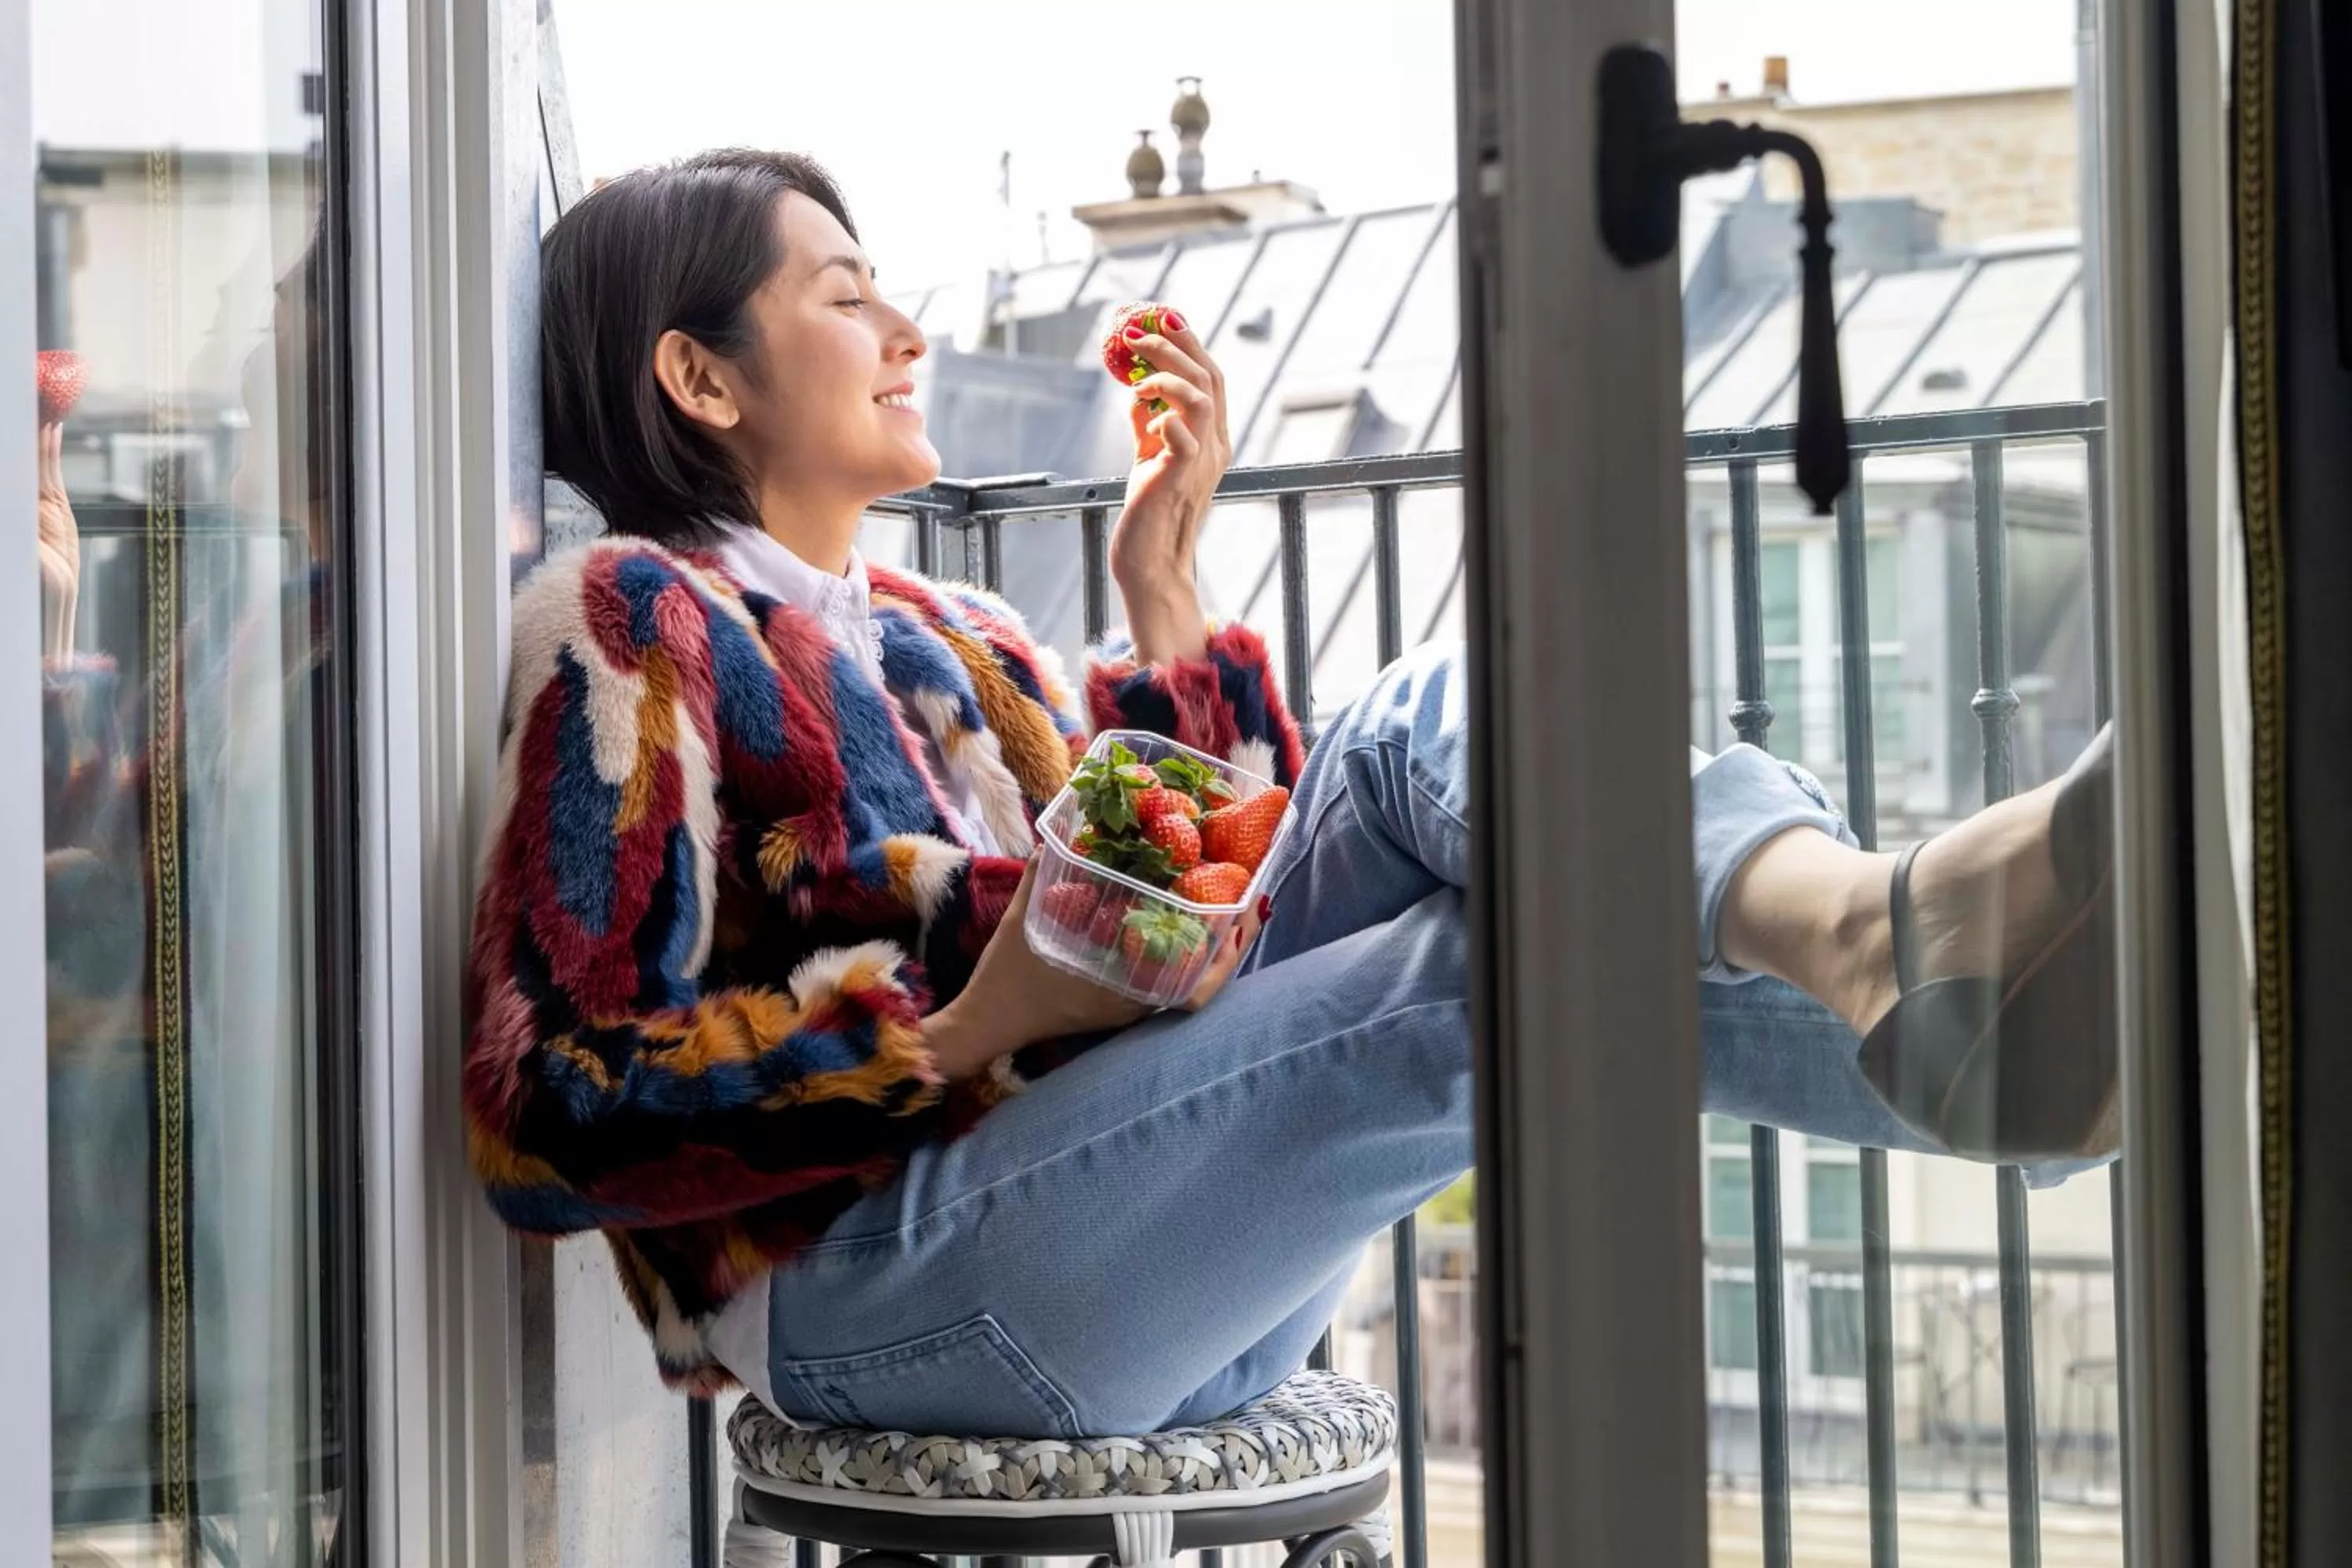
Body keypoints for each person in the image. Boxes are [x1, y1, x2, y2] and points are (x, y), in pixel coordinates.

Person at [464, 149, 2118, 1439]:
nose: (908, 331)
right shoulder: (633, 622)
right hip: (876, 1298)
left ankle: (1899, 944)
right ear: (701, 376)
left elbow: (1199, 906)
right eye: (844, 297)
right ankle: (2007, 1018)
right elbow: (544, 1107)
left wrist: (1164, 579)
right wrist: (957, 1032)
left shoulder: (943, 637)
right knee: (1488, 973)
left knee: (1418, 728)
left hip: (1133, 1251)